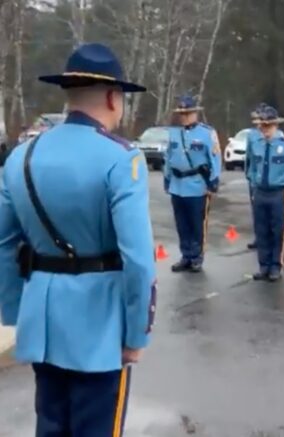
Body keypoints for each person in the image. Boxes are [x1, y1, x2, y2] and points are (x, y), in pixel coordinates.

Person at [0, 43, 156, 437]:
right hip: (100, 332)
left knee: (51, 427)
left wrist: (15, 314)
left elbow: (3, 243)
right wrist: (137, 333)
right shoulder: (121, 158)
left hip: (42, 325)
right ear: (112, 97)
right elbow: (138, 260)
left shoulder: (21, 157)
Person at [164, 94, 222, 273]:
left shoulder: (206, 133)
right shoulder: (174, 133)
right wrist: (167, 178)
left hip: (197, 185)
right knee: (181, 224)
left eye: (188, 113)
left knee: (197, 224)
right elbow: (168, 157)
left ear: (195, 113)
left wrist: (213, 181)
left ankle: (197, 256)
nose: (184, 117)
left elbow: (215, 157)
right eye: (182, 114)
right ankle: (186, 255)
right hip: (177, 185)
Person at [246, 106, 284, 281]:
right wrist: (254, 184)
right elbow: (252, 167)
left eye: (268, 126)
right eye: (262, 126)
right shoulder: (256, 144)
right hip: (261, 192)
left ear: (275, 125)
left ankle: (276, 266)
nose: (265, 129)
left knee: (278, 231)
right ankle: (264, 266)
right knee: (261, 230)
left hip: (278, 193)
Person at [246, 105, 265, 250]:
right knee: (257, 211)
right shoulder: (252, 135)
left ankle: (269, 238)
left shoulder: (277, 134)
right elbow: (249, 157)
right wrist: (249, 175)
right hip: (255, 179)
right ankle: (259, 237)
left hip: (270, 180)